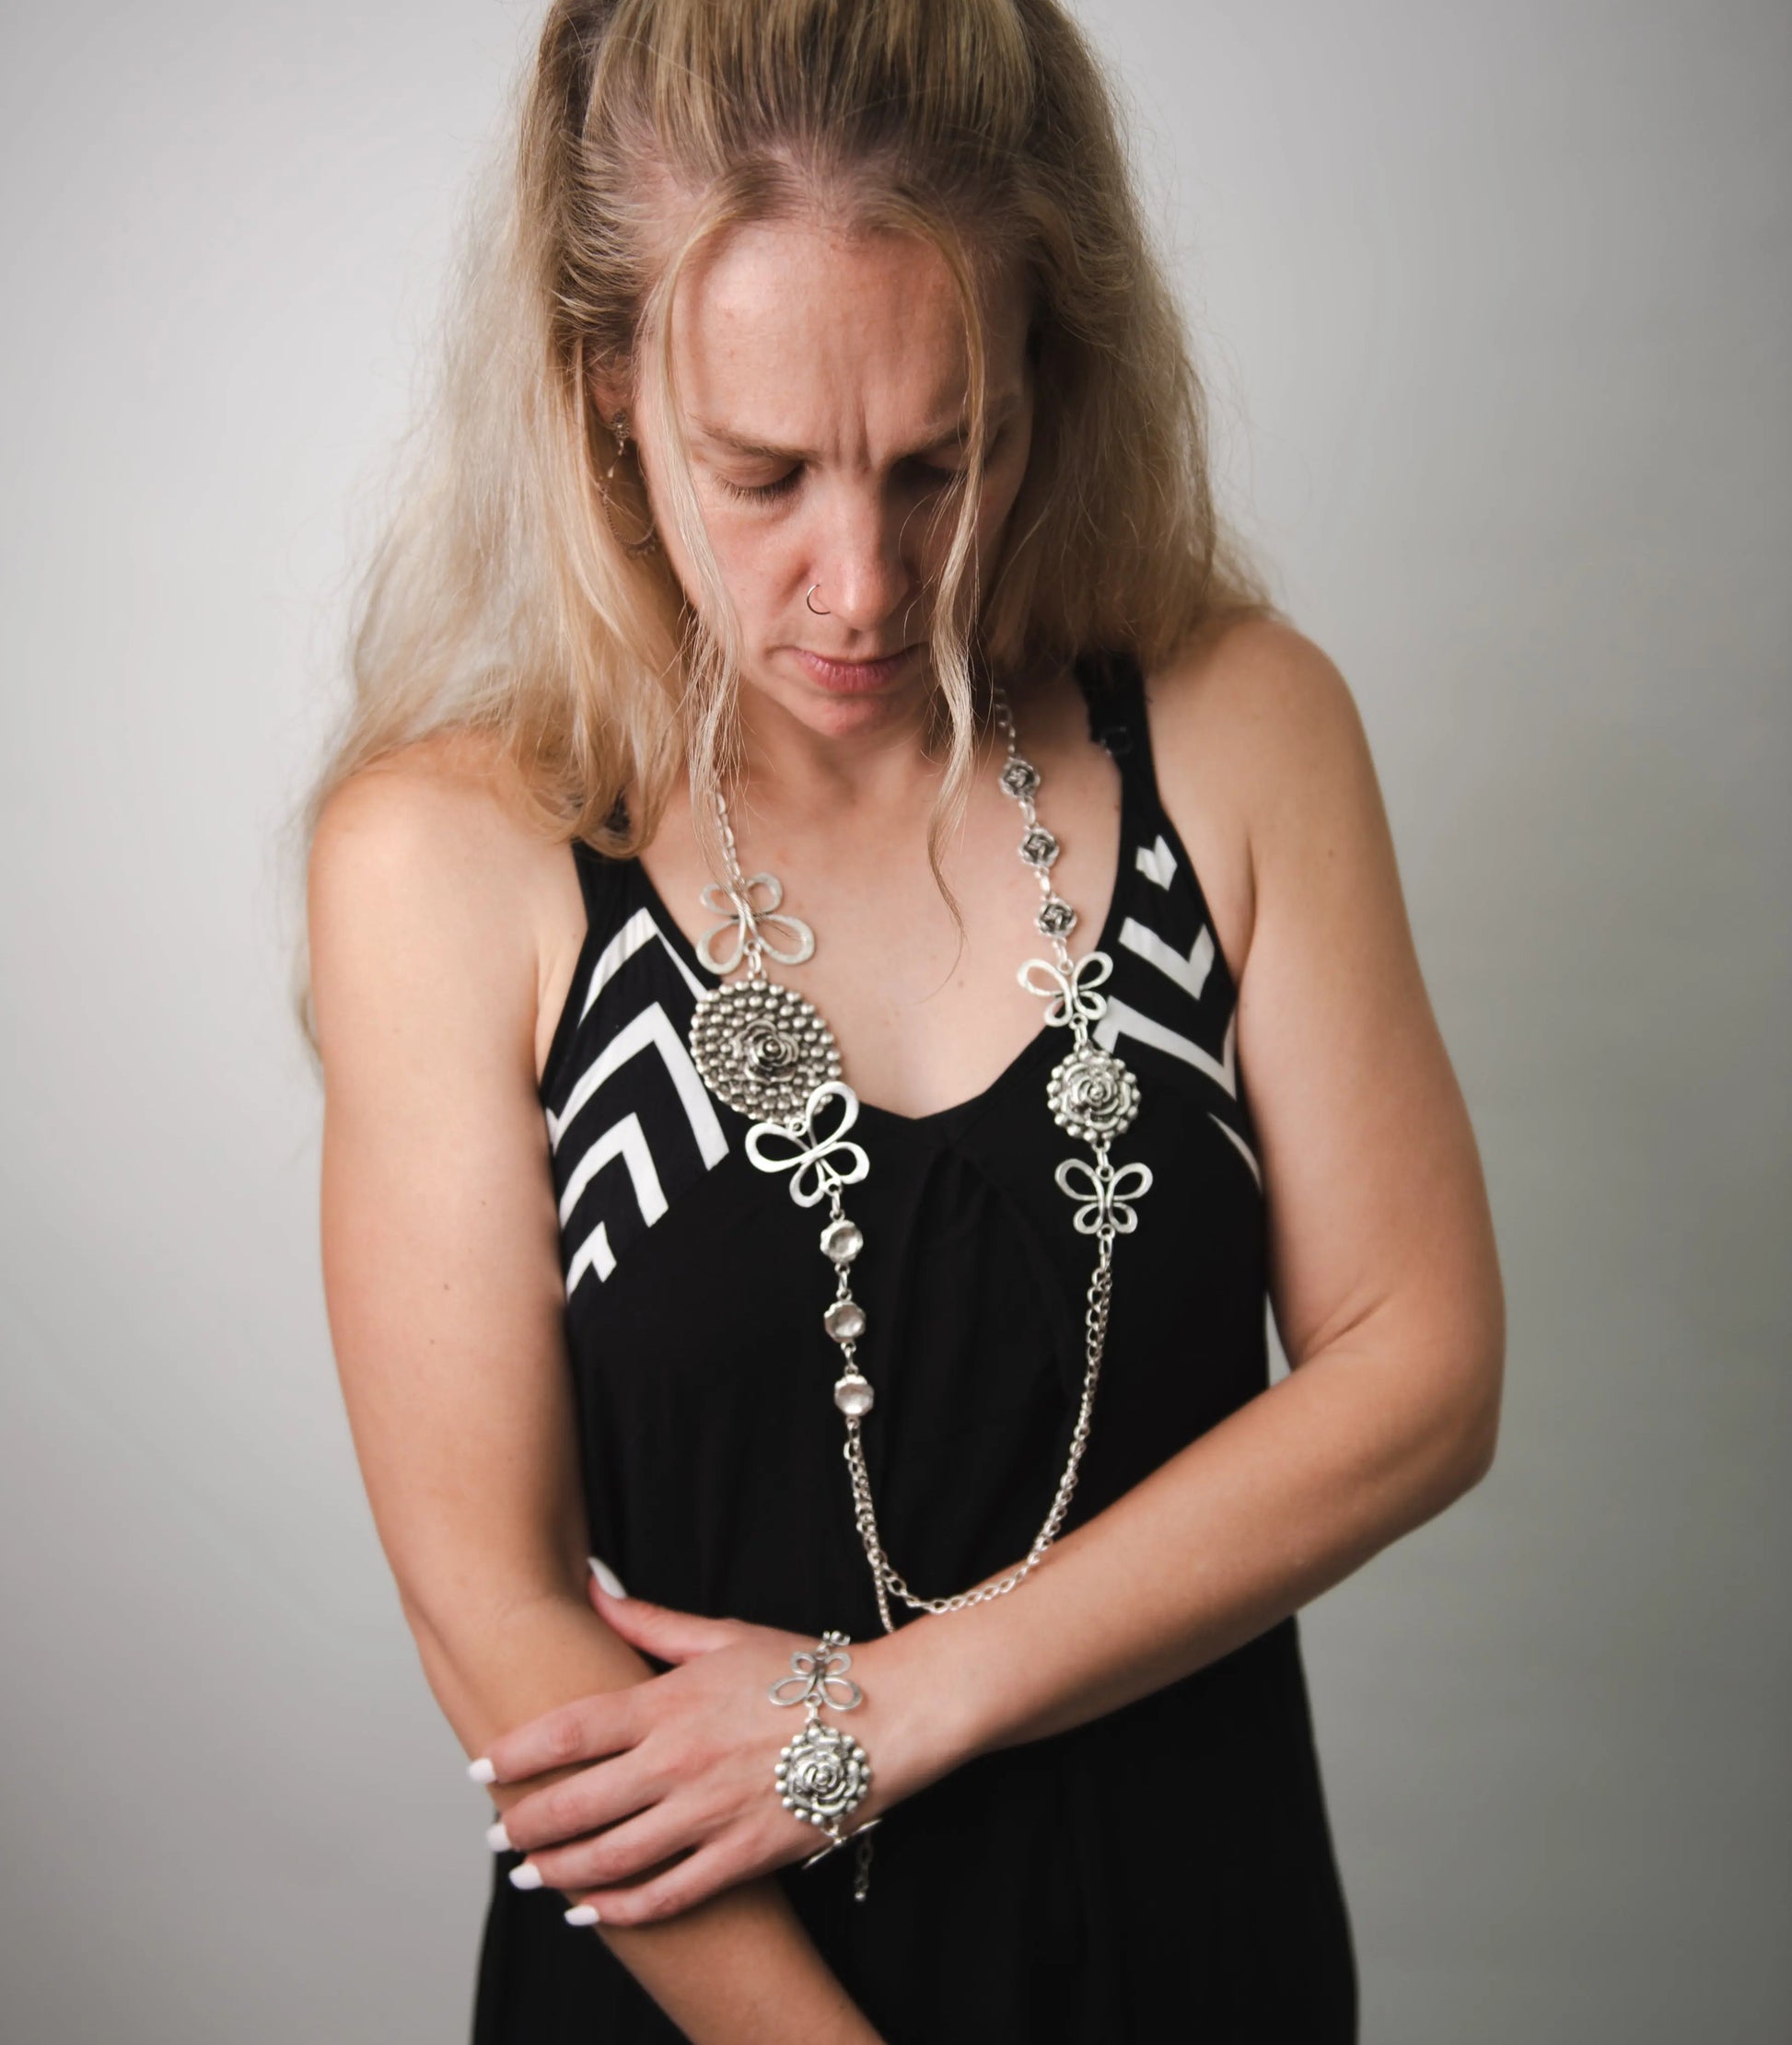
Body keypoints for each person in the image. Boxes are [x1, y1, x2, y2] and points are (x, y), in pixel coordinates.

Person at [300, 2, 1505, 2039]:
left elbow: (1422, 1366)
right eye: (759, 474)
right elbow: (493, 1615)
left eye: (943, 459)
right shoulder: (451, 856)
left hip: (1196, 1959)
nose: (859, 584)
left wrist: (882, 1708)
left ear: (1049, 371)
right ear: (603, 389)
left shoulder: (1237, 729)